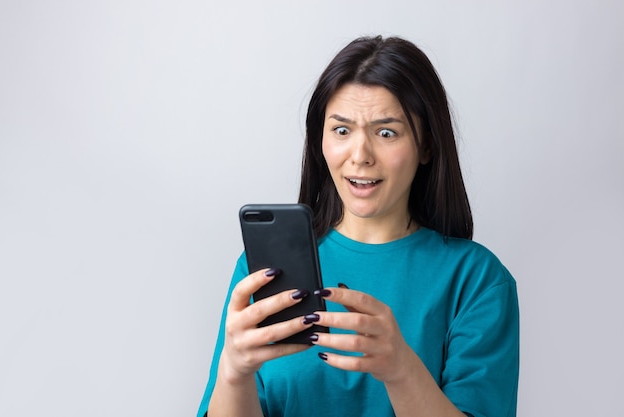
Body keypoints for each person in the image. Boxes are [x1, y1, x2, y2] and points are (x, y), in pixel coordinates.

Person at [197, 35, 519, 417]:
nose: (360, 155)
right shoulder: (262, 271)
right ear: (320, 142)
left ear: (427, 147)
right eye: (341, 130)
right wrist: (233, 372)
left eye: (387, 132)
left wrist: (401, 369)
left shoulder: (477, 279)